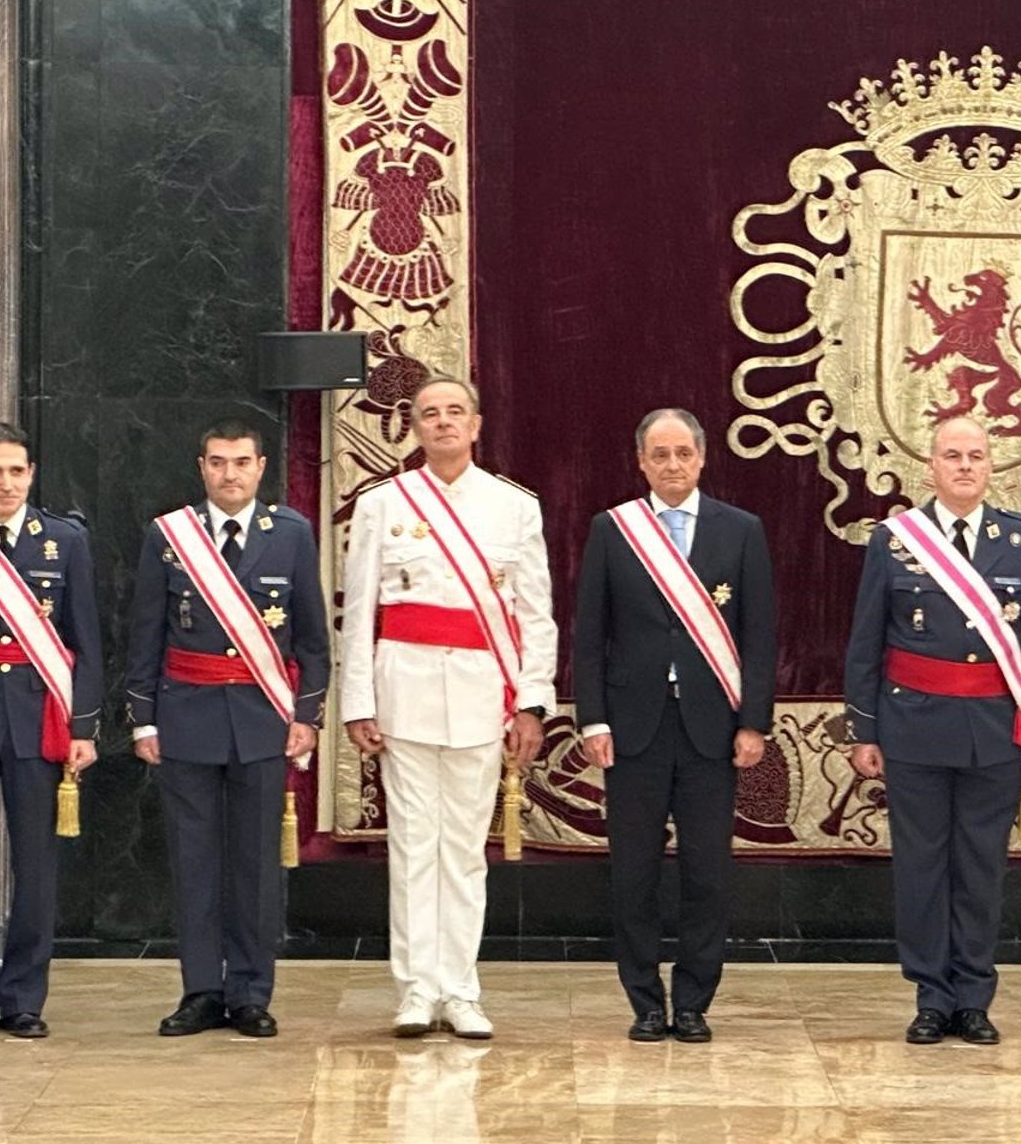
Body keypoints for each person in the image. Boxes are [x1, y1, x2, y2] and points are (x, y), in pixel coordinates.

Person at [340, 376, 556, 1040]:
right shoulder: (383, 503)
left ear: (477, 424)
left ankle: (460, 990)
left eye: (454, 412)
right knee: (410, 848)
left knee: (463, 851)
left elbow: (536, 614)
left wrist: (532, 704)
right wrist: (357, 701)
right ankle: (414, 989)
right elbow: (359, 608)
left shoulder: (513, 507)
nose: (442, 423)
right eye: (429, 414)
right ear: (414, 427)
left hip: (479, 693)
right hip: (402, 691)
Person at [844, 416, 1021, 1045]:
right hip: (913, 725)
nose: (964, 466)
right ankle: (929, 996)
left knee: (980, 867)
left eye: (975, 455)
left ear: (991, 465)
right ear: (931, 468)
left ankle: (973, 996)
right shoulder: (894, 541)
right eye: (952, 456)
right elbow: (866, 641)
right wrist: (865, 728)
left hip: (994, 729)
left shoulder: (1020, 541)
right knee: (920, 866)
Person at [574, 408, 777, 1043]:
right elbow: (590, 637)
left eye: (682, 453)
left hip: (711, 728)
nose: (671, 465)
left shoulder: (740, 531)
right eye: (659, 455)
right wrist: (592, 720)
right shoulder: (613, 530)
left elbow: (759, 636)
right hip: (632, 727)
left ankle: (692, 1000)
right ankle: (644, 1002)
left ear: (702, 457)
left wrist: (754, 723)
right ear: (640, 462)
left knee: (706, 872)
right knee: (632, 872)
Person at [126, 421, 330, 1038]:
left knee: (254, 865)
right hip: (185, 715)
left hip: (262, 720)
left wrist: (307, 715)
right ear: (201, 466)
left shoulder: (290, 534)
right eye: (218, 462)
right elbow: (145, 634)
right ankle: (200, 991)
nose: (230, 474)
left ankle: (249, 992)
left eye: (242, 462)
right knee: (194, 862)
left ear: (261, 466)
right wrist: (143, 719)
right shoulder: (170, 536)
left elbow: (313, 639)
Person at [0, 421, 101, 1038]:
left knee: (35, 865)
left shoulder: (63, 541)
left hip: (38, 721)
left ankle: (23, 996)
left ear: (31, 475)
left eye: (16, 471)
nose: (6, 483)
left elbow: (85, 641)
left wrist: (84, 725)